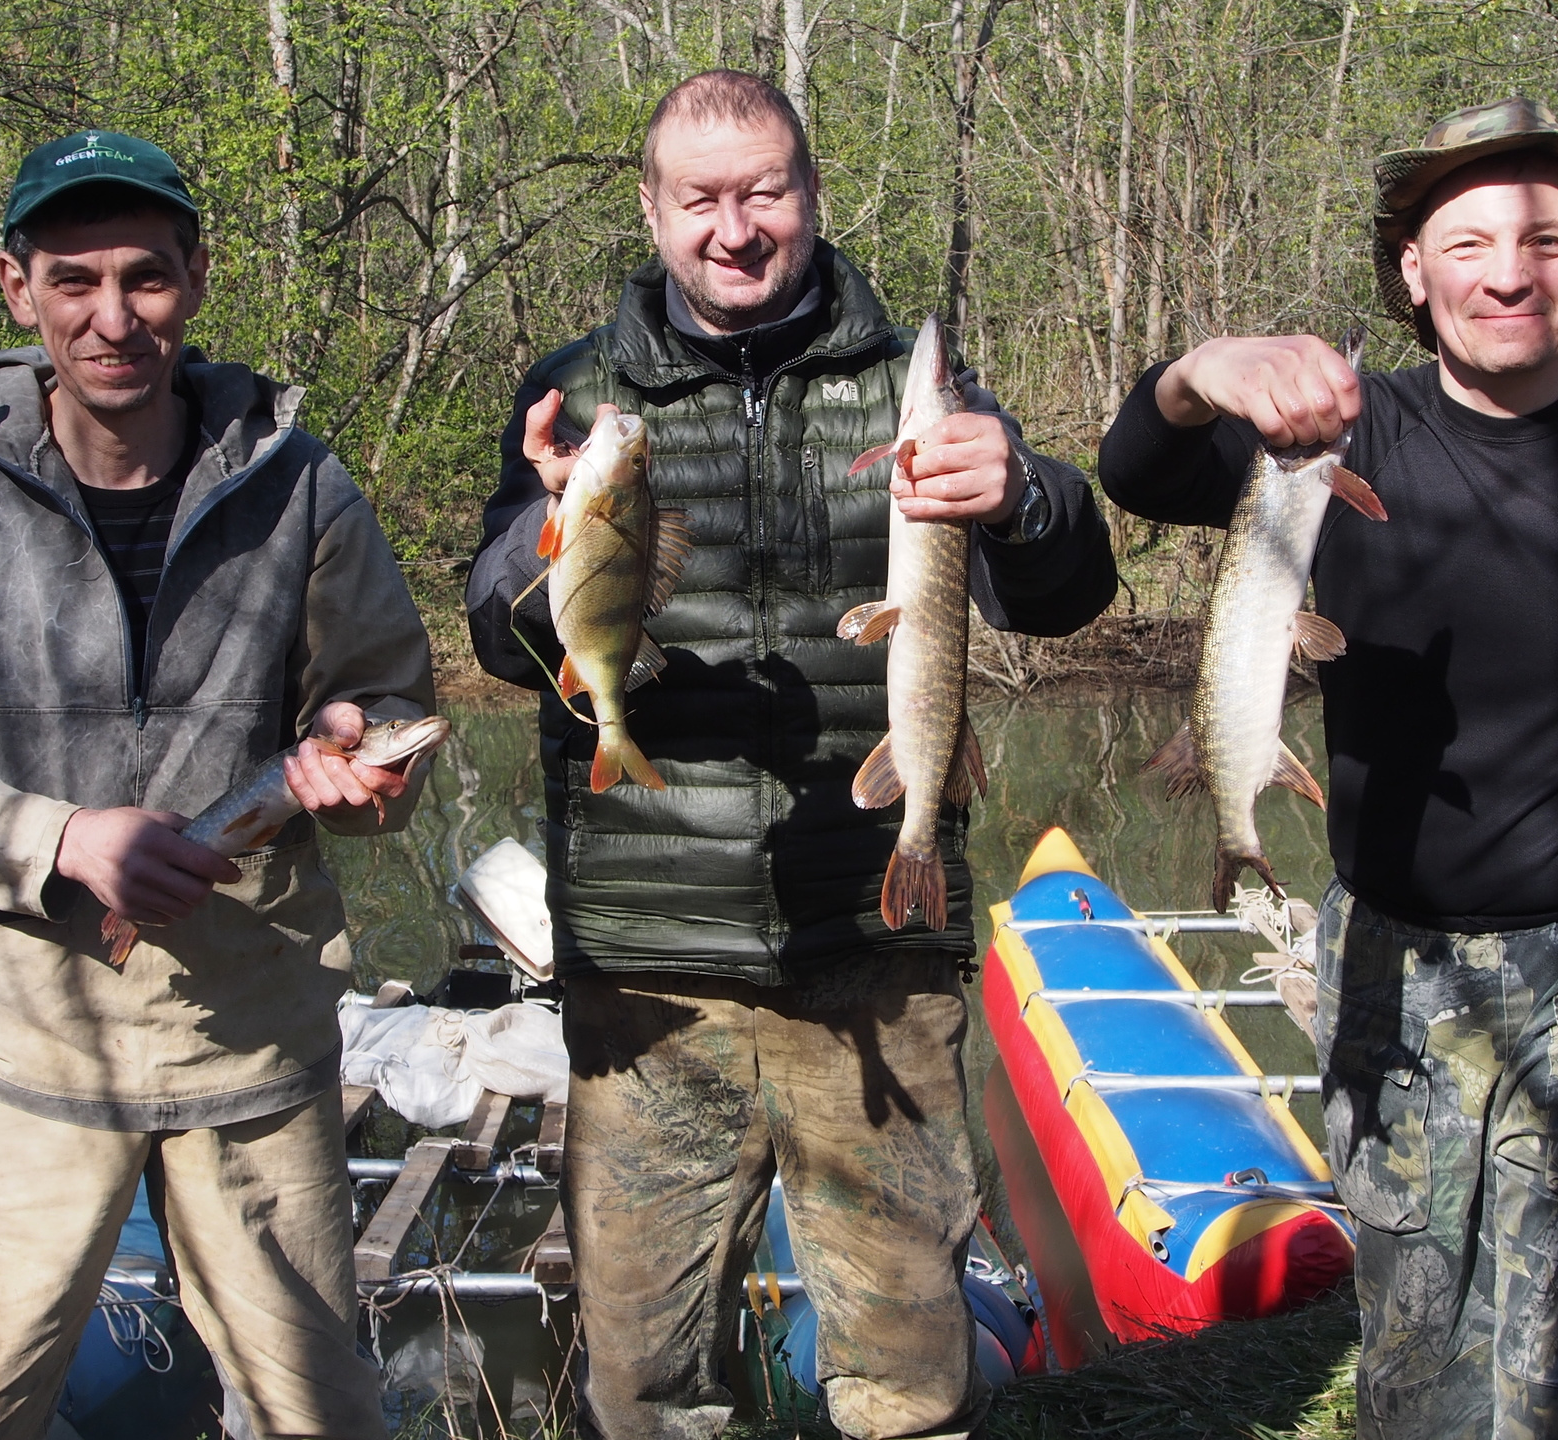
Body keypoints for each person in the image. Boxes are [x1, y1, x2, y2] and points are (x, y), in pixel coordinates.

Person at [1096, 98, 1558, 1439]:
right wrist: (1199, 368)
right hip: (1397, 961)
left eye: (1549, 239)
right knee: (1418, 1359)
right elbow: (1137, 469)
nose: (1510, 272)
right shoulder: (1326, 441)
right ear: (1412, 272)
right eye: (1471, 240)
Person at [464, 70, 1115, 1440]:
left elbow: (1062, 594)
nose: (735, 228)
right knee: (647, 1388)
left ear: (810, 195)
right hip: (651, 979)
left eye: (765, 191)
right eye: (700, 199)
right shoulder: (574, 397)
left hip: (872, 951)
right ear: (651, 209)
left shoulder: (912, 389)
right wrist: (540, 535)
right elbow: (503, 642)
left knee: (908, 1376)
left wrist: (1032, 496)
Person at [0, 130, 432, 1440]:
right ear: (15, 288)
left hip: (248, 1033)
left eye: (145, 278)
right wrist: (62, 839)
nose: (112, 318)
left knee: (320, 1413)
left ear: (196, 280)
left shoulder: (300, 485)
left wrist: (369, 764)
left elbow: (389, 701)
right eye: (74, 280)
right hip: (11, 1049)